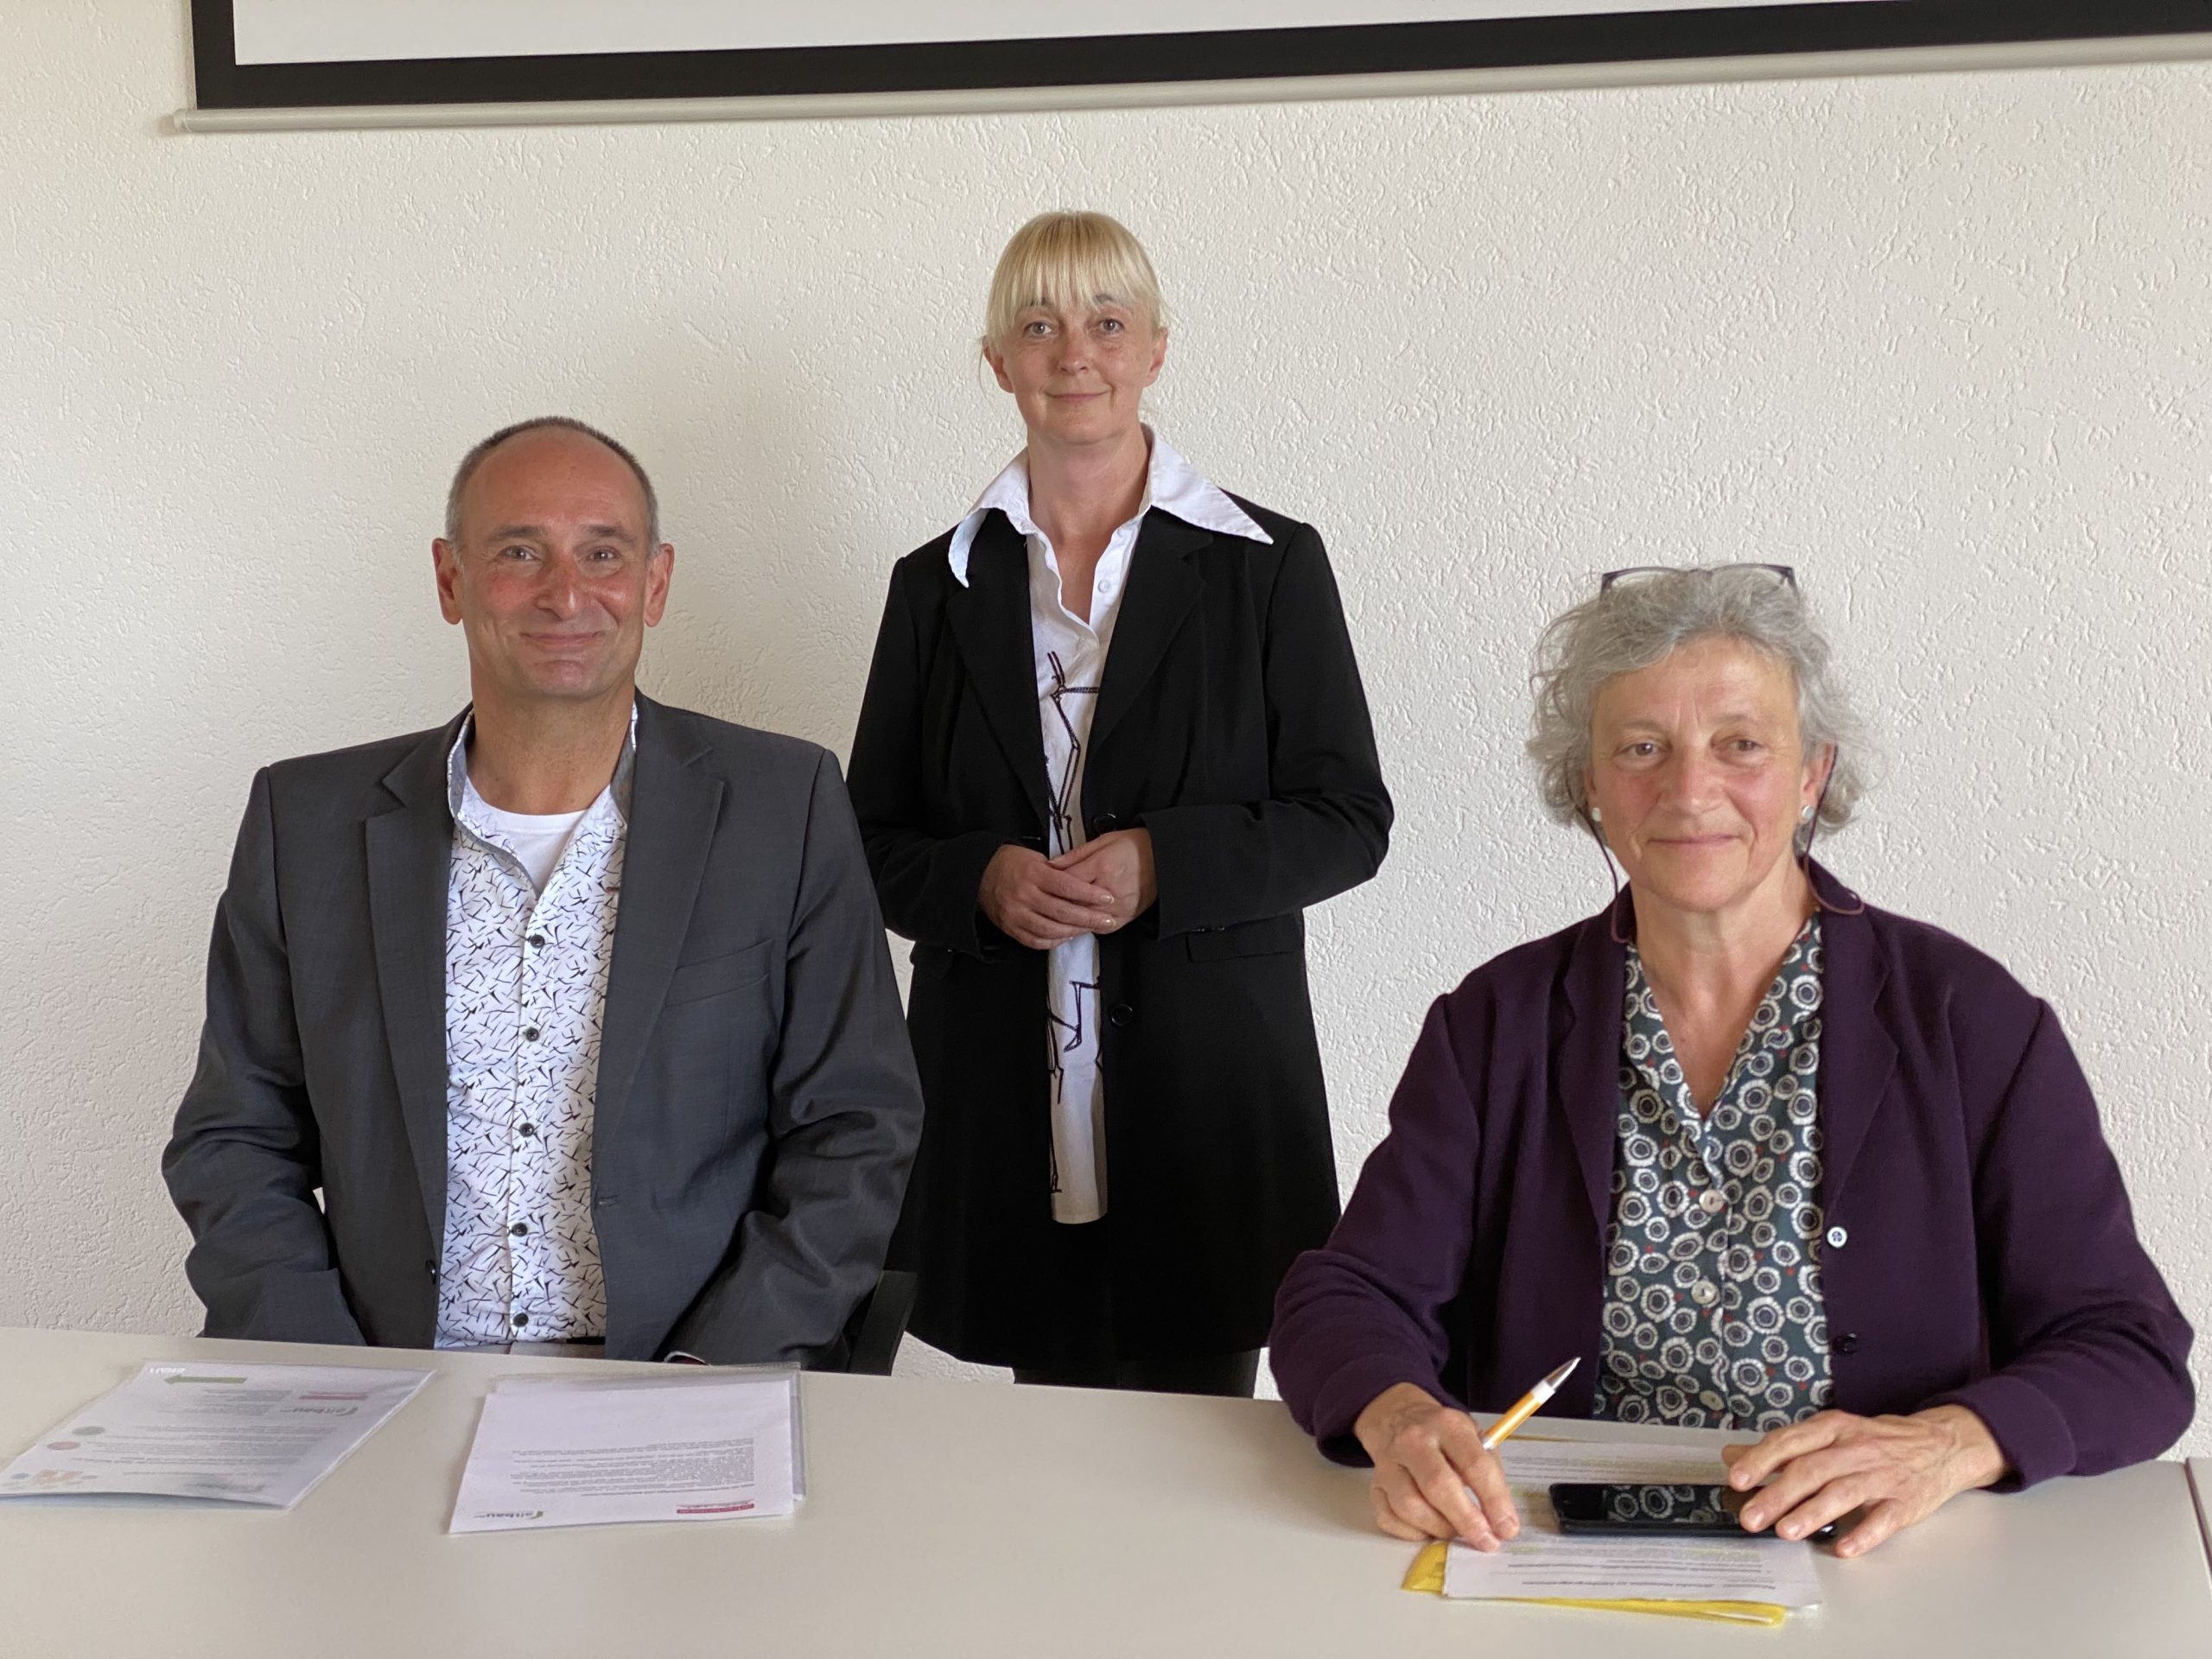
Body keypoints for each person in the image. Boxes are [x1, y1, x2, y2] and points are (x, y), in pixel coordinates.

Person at [1270, 563, 2192, 1556]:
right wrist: (1399, 1415)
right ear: (1588, 784)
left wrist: (1946, 1445)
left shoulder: (1971, 1020)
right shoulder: (1497, 1021)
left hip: (1880, 1562)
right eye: (1641, 748)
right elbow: (1345, 1298)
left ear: (1812, 775)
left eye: (1740, 744)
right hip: (1550, 1548)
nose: (1689, 790)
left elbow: (2130, 1351)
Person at [165, 416, 923, 1365]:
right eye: (519, 552)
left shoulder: (785, 806)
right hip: (386, 1372)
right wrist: (324, 1369)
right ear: (451, 579)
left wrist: (710, 1371)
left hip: (682, 1377)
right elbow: (234, 1135)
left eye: (603, 554)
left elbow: (857, 1125)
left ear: (655, 582)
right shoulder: (306, 822)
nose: (566, 594)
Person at [846, 211, 1392, 1395]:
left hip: (1211, 1097)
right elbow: (867, 841)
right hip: (997, 1102)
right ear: (999, 361)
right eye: (1039, 326)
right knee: (1044, 1470)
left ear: (1154, 349)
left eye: (1105, 322)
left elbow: (1349, 818)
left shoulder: (1267, 565)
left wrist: (1165, 864)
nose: (1074, 353)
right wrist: (979, 880)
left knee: (1195, 1460)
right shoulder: (936, 586)